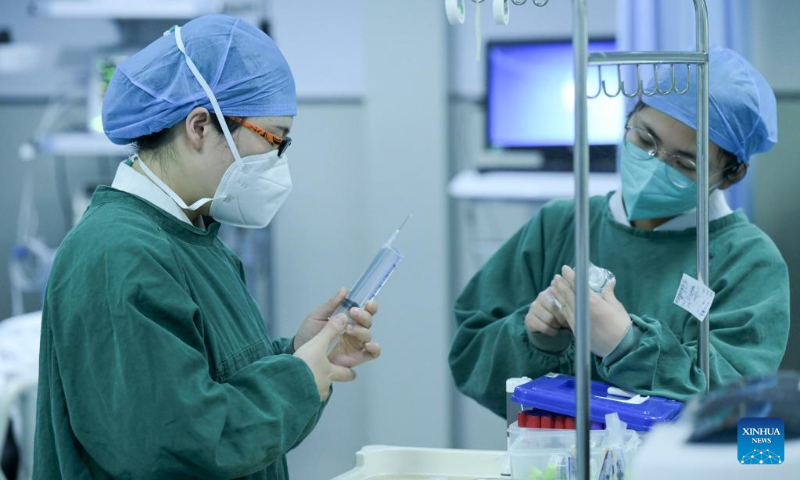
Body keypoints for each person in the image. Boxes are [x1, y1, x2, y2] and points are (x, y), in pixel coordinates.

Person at [33, 14, 380, 479]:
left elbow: (209, 379)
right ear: (199, 127)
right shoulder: (118, 255)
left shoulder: (194, 236)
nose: (278, 162)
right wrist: (297, 382)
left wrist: (298, 351)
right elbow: (177, 444)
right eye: (274, 140)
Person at [449, 47, 789, 417]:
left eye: (685, 163)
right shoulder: (561, 225)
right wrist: (535, 338)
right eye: (645, 140)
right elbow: (470, 354)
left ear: (729, 176)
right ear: (628, 120)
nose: (655, 166)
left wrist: (627, 346)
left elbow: (737, 405)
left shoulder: (747, 261)